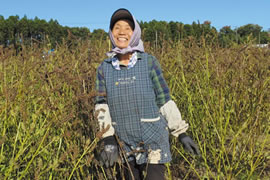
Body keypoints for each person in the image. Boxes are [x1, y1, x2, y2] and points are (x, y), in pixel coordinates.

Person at [95, 8, 200, 180]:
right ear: (111, 33)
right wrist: (108, 139)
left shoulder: (149, 62)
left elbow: (164, 99)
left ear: (135, 32)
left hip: (153, 138)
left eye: (128, 28)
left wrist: (181, 132)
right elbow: (101, 104)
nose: (122, 32)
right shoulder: (104, 68)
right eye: (117, 28)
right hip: (123, 140)